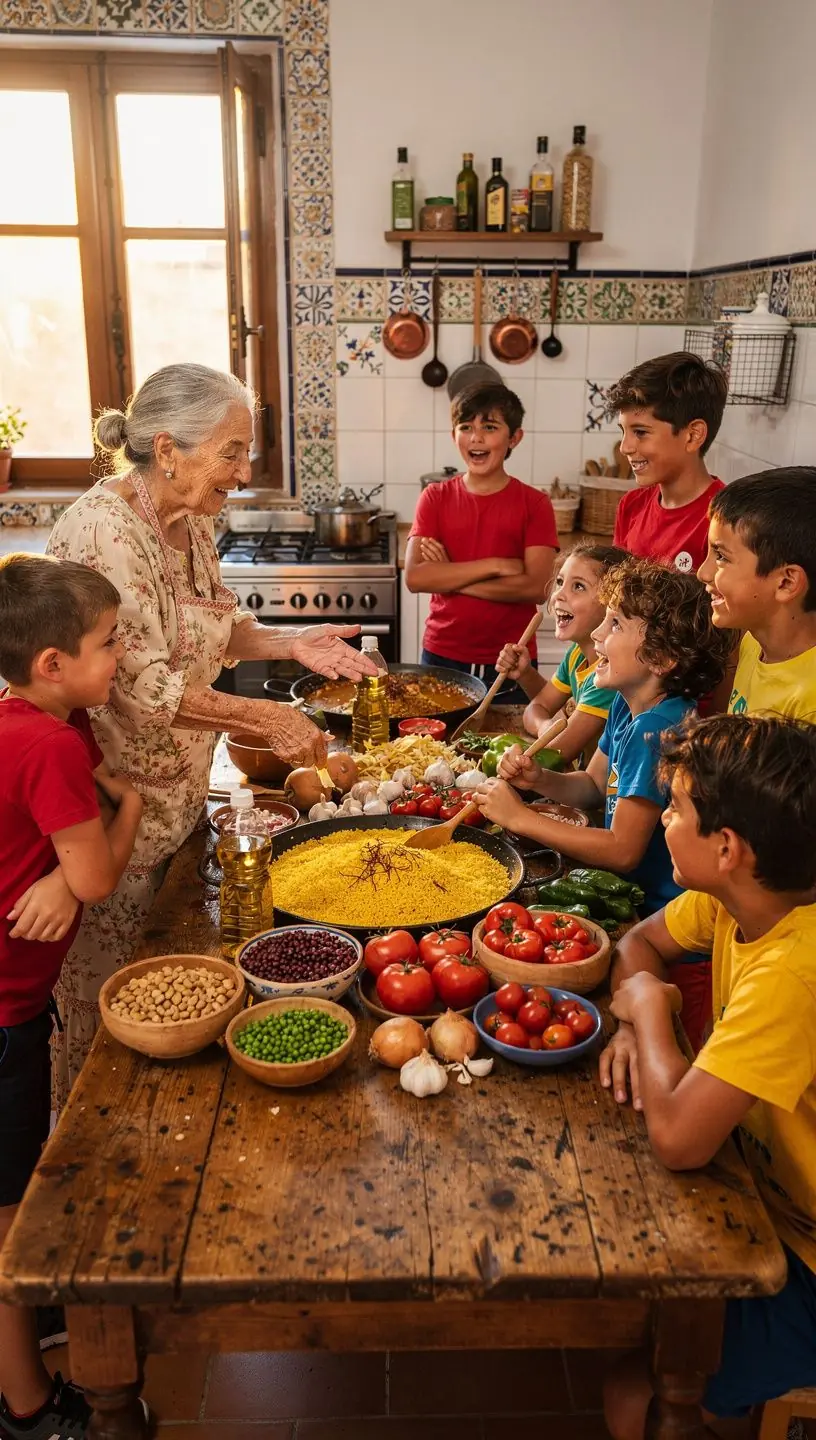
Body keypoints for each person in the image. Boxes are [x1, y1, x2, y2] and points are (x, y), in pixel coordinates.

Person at [46, 363, 376, 1104]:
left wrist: (292, 644)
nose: (242, 469)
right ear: (169, 449)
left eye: (246, 451)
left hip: (179, 798)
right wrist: (265, 716)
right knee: (106, 1011)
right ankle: (75, 1165)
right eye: (231, 451)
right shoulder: (106, 533)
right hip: (110, 810)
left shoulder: (190, 518)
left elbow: (214, 630)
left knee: (160, 996)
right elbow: (144, 685)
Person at [599, 714, 816, 1437]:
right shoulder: (743, 896)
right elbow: (639, 943)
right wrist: (637, 1015)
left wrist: (652, 1017)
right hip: (769, 1198)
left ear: (726, 847)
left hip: (807, 1255)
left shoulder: (794, 972)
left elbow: (680, 1140)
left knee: (636, 1399)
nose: (664, 820)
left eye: (675, 808)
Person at [0, 554, 144, 1439]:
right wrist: (127, 813)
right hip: (5, 1007)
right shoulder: (54, 742)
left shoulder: (41, 721)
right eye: (109, 643)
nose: (121, 656)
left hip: (16, 999)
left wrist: (68, 868)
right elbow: (93, 874)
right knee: (9, 1211)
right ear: (52, 664)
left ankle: (34, 1317)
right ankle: (24, 1403)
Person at [476, 559, 732, 1051]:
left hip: (671, 939)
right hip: (636, 916)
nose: (598, 635)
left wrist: (522, 817)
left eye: (615, 624)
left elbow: (621, 851)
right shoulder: (626, 704)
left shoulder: (659, 730)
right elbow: (593, 787)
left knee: (680, 1046)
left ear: (661, 659)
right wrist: (541, 778)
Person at [405, 382, 558, 690]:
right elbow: (416, 578)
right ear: (454, 435)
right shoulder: (434, 497)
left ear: (514, 437)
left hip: (512, 663)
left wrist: (450, 577)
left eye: (489, 427)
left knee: (513, 740)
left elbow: (537, 588)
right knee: (433, 741)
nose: (476, 438)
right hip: (441, 655)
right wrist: (496, 565)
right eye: (465, 427)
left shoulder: (535, 503)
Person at [698, 466, 816, 721]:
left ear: (786, 583)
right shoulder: (752, 642)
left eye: (720, 557)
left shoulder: (809, 706)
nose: (702, 573)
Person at [494, 542, 628, 761]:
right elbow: (537, 707)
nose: (558, 595)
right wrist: (546, 726)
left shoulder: (609, 675)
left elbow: (559, 753)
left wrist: (548, 731)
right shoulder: (577, 654)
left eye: (578, 586)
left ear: (611, 604)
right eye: (559, 582)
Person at [606, 352, 727, 575]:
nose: (625, 447)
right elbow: (613, 593)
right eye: (624, 431)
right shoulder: (631, 506)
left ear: (692, 435)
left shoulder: (726, 521)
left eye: (640, 432)